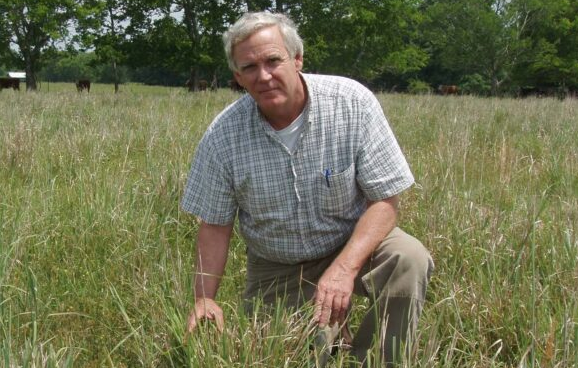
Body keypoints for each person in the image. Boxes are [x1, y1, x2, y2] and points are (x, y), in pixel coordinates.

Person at [180, 11, 434, 367]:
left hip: (350, 245)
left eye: (273, 60)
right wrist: (204, 298)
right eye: (249, 68)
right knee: (291, 357)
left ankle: (376, 360)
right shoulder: (223, 137)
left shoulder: (352, 103)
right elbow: (215, 227)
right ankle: (324, 339)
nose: (264, 76)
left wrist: (344, 269)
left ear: (297, 59)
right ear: (238, 77)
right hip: (277, 267)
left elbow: (385, 200)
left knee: (408, 258)